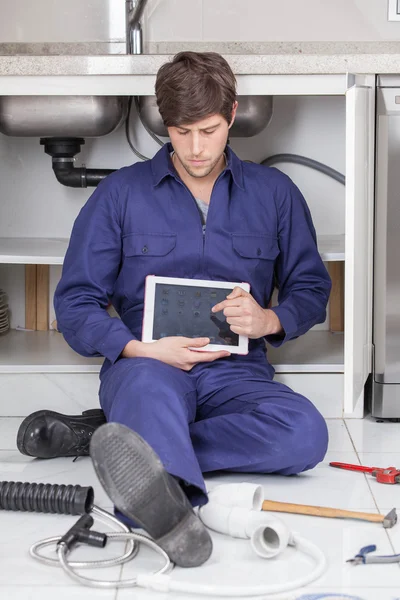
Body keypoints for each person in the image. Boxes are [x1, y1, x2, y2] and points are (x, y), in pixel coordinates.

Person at [17, 51, 331, 567]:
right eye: (181, 132)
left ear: (231, 115)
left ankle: (127, 446)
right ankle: (171, 510)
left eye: (208, 130)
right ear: (166, 125)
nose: (196, 147)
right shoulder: (120, 194)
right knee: (146, 393)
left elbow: (311, 288)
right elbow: (75, 303)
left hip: (238, 373)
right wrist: (139, 348)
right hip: (149, 367)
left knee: (305, 434)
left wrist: (270, 319)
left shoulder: (276, 194)